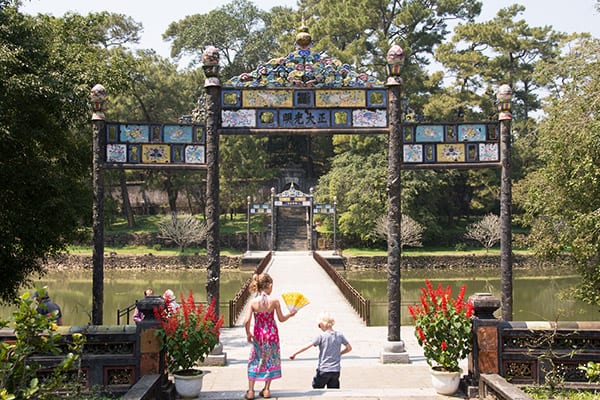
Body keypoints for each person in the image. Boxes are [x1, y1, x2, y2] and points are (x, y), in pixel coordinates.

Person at [244, 273, 297, 400]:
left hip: (258, 335)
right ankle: (266, 390)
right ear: (270, 285)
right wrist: (290, 314)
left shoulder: (253, 302)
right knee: (270, 360)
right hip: (272, 335)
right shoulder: (274, 301)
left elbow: (246, 321)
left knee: (255, 360)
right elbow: (281, 318)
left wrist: (248, 333)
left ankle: (251, 391)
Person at [289, 311, 352, 389]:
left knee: (317, 388)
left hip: (323, 370)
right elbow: (349, 348)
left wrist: (295, 353)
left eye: (319, 325)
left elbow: (307, 346)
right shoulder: (339, 335)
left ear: (322, 324)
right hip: (336, 371)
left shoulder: (321, 336)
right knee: (333, 391)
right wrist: (339, 353)